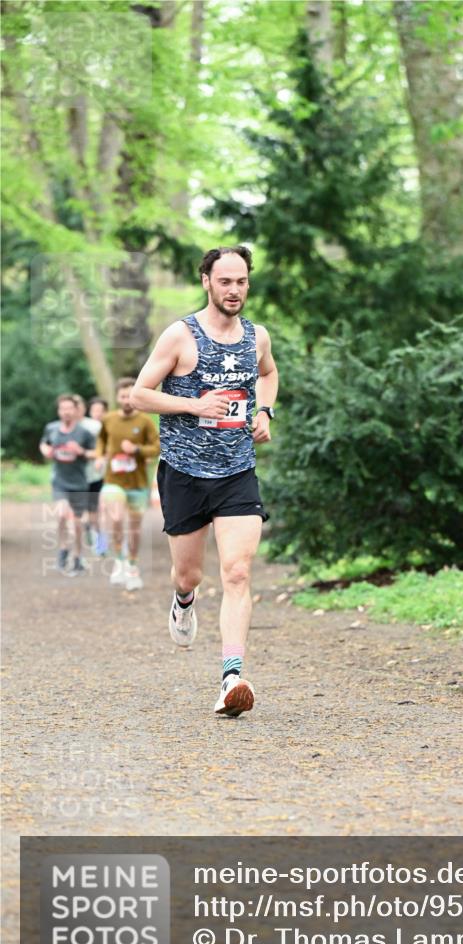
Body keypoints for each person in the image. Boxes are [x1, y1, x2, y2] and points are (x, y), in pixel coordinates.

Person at [130, 245, 278, 717]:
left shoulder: (256, 337)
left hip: (237, 472)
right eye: (225, 281)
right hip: (184, 474)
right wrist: (195, 405)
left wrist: (266, 410)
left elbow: (269, 375)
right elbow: (139, 394)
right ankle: (183, 599)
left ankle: (232, 677)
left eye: (241, 281)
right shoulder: (180, 336)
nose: (234, 290)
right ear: (207, 282)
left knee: (237, 572)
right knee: (188, 572)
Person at [97, 377, 160, 591]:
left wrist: (137, 451)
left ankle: (132, 565)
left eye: (129, 396)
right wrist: (99, 456)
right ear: (117, 397)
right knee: (115, 518)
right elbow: (101, 440)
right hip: (113, 481)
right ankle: (119, 561)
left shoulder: (145, 421)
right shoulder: (108, 419)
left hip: (137, 483)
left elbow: (157, 447)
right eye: (122, 396)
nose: (126, 400)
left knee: (134, 529)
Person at [39, 394, 98, 575]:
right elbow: (44, 443)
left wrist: (81, 451)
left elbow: (95, 453)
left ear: (75, 410)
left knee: (78, 523)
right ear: (59, 411)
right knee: (62, 514)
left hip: (79, 483)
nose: (66, 412)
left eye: (69, 408)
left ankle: (78, 556)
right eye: (62, 408)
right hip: (59, 482)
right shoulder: (52, 429)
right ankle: (64, 548)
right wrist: (46, 450)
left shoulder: (84, 433)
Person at [76, 395, 109, 553]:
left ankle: (100, 545)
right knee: (78, 514)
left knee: (95, 511)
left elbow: (105, 448)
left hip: (95, 475)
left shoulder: (95, 426)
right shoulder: (62, 427)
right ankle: (84, 538)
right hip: (73, 477)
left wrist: (98, 457)